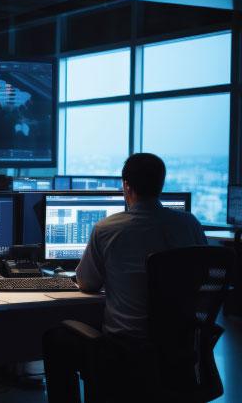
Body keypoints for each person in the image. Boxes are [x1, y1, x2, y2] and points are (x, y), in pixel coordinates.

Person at [43, 153, 207, 403]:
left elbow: (87, 283)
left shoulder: (107, 229)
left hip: (124, 350)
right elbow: (201, 277)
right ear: (161, 184)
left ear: (126, 186)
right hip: (179, 348)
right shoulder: (190, 224)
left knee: (55, 339)